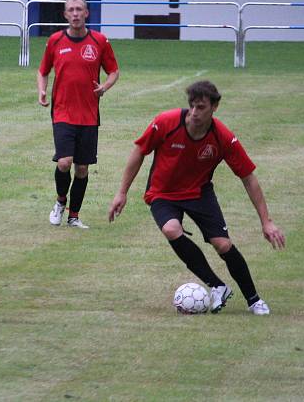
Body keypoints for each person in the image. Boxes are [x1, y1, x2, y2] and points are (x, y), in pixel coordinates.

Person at [108, 80, 285, 315]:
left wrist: (266, 221)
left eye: (201, 107)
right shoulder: (166, 122)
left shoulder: (223, 138)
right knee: (171, 229)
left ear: (215, 107)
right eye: (191, 106)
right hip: (163, 193)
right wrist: (122, 192)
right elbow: (140, 151)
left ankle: (254, 300)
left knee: (223, 244)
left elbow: (248, 178)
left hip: (199, 193)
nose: (194, 112)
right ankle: (217, 286)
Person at [37, 0, 120, 229]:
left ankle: (74, 216)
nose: (75, 14)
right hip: (62, 112)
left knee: (82, 168)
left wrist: (104, 86)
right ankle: (60, 201)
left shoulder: (99, 41)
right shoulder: (54, 41)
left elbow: (114, 71)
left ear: (87, 14)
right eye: (71, 10)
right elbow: (42, 70)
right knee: (64, 162)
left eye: (79, 10)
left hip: (89, 115)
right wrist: (42, 91)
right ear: (65, 15)